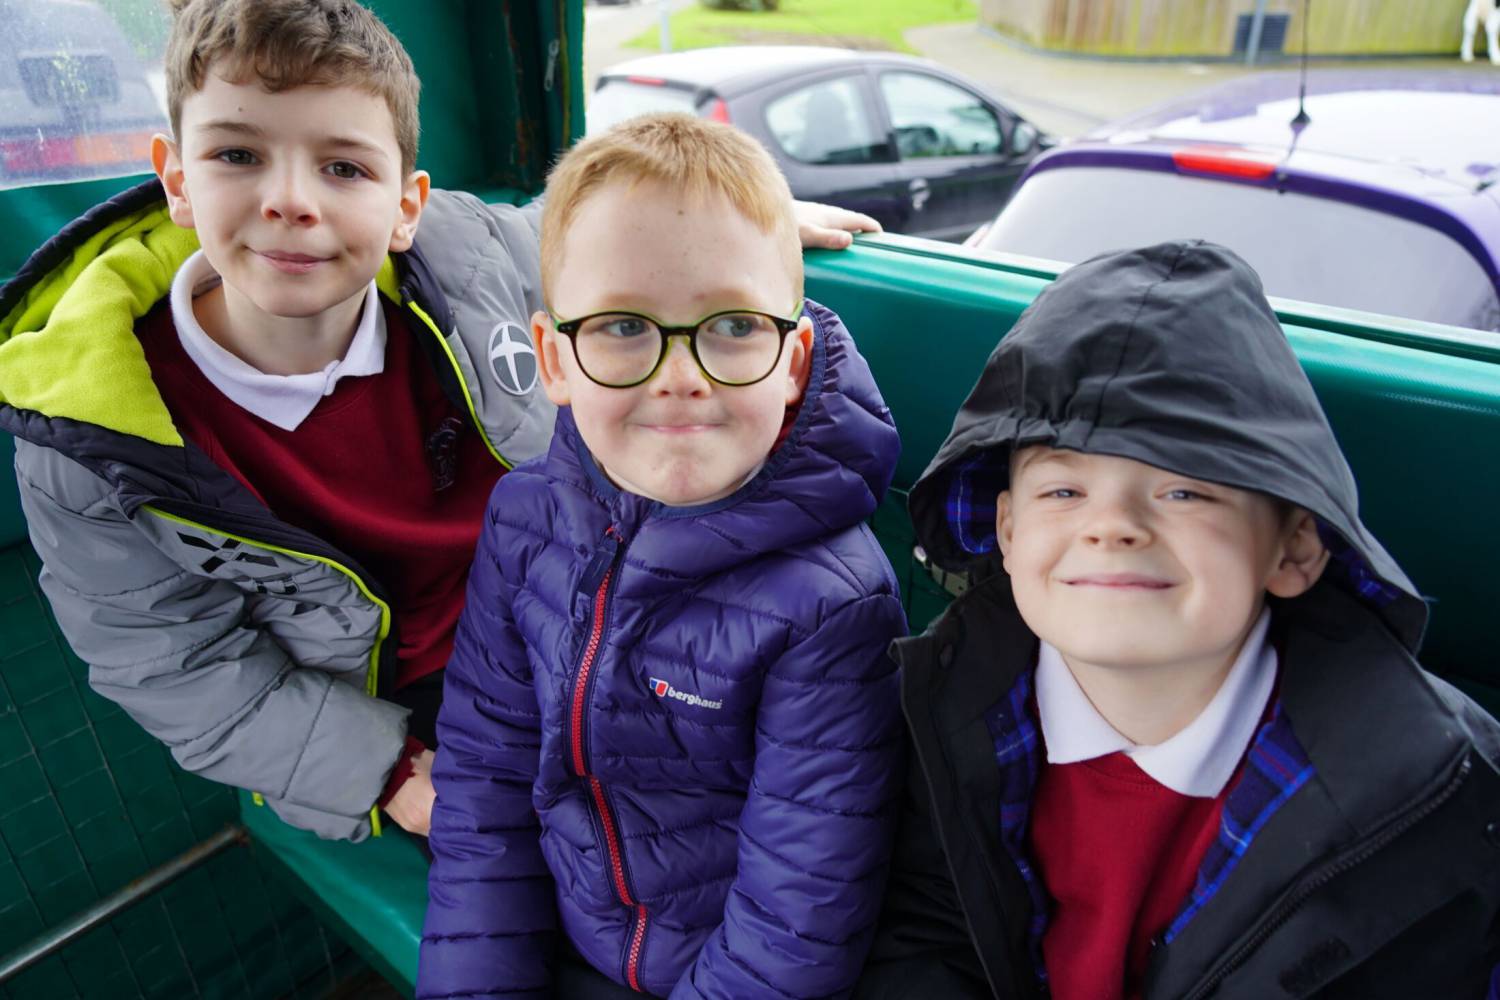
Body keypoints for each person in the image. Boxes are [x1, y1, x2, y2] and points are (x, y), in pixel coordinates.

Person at [0, 0, 878, 843]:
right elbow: (172, 662)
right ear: (176, 181)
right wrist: (392, 773)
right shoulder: (92, 438)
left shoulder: (466, 258)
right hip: (403, 710)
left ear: (406, 208)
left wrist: (733, 235)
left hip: (576, 618)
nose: (290, 201)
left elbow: (561, 237)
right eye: (238, 156)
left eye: (343, 168)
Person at [855, 241, 1500, 1000]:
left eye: (1184, 492)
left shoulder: (1432, 789)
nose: (1113, 525)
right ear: (1007, 531)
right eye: (1064, 492)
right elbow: (926, 935)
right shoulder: (947, 703)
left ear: (1295, 547)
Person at [417, 113, 909, 999]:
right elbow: (485, 779)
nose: (678, 373)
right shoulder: (523, 518)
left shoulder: (832, 604)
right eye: (621, 327)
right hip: (566, 930)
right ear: (552, 361)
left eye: (730, 326)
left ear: (793, 361)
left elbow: (796, 922)